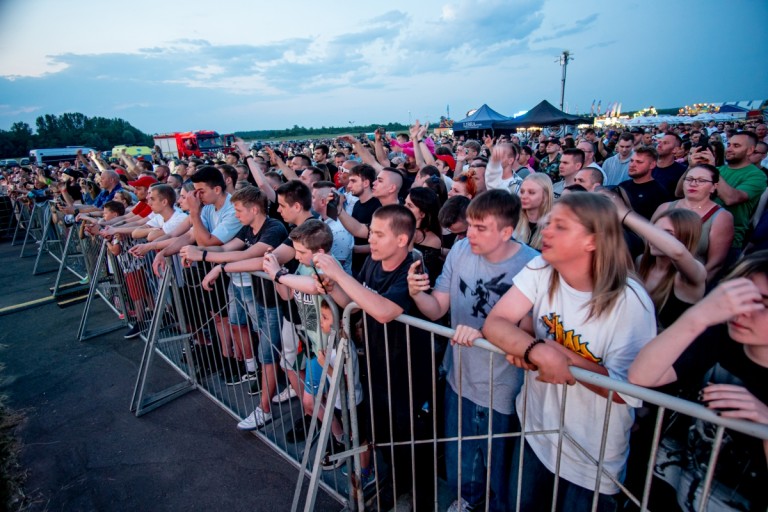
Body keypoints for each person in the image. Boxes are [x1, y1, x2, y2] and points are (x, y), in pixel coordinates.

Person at [475, 193, 656, 511]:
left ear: (592, 240)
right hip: (536, 430)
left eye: (561, 226)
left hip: (591, 455)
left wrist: (559, 354)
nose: (546, 230)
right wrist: (536, 350)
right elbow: (497, 322)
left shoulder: (631, 302)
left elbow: (626, 391)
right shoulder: (541, 267)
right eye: (549, 222)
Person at [408, 189, 538, 512]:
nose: (470, 234)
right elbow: (437, 308)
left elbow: (529, 336)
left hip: (503, 389)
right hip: (459, 378)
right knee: (461, 463)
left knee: (500, 473)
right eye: (471, 225)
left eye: (481, 228)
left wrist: (484, 334)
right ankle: (465, 502)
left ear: (507, 232)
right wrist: (416, 295)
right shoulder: (460, 251)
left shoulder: (533, 266)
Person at [313, 205, 434, 510]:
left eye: (379, 234)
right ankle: (394, 487)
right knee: (386, 440)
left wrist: (340, 273)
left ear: (403, 239)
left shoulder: (412, 269)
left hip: (407, 375)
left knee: (412, 445)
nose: (372, 240)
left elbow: (383, 311)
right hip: (376, 367)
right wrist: (333, 287)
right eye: (371, 233)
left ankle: (421, 500)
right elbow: (352, 299)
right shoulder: (372, 263)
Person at [628, 251, 768, 512]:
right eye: (741, 297)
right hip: (665, 487)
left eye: (764, 304)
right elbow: (640, 376)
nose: (744, 311)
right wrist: (700, 315)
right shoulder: (720, 337)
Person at [180, 186, 287, 392]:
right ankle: (259, 374)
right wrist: (196, 250)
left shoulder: (275, 228)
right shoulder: (247, 228)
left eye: (238, 210)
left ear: (254, 209)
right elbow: (224, 249)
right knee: (244, 328)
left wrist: (206, 258)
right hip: (247, 287)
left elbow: (250, 255)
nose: (236, 215)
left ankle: (273, 385)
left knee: (267, 342)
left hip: (268, 296)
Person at [611, 197, 707, 330]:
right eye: (654, 231)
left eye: (667, 234)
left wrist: (623, 214)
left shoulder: (692, 275)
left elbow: (678, 253)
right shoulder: (641, 262)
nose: (654, 238)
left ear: (686, 238)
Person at [653, 164, 734, 281]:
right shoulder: (664, 208)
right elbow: (647, 245)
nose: (693, 183)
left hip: (688, 282)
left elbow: (715, 264)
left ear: (713, 187)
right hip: (656, 277)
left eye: (701, 180)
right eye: (689, 179)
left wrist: (693, 287)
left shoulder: (721, 217)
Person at [618, 146, 672, 220]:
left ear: (652, 165)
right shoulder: (622, 186)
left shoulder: (659, 193)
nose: (632, 165)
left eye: (639, 162)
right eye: (631, 160)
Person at [404, 187, 443, 283]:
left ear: (422, 214)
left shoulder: (433, 240)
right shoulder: (400, 226)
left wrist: (410, 242)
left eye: (409, 205)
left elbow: (418, 272)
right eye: (405, 203)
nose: (404, 207)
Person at [513, 173, 553, 251]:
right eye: (522, 192)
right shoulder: (513, 219)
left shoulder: (552, 226)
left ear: (545, 197)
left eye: (531, 192)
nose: (524, 196)